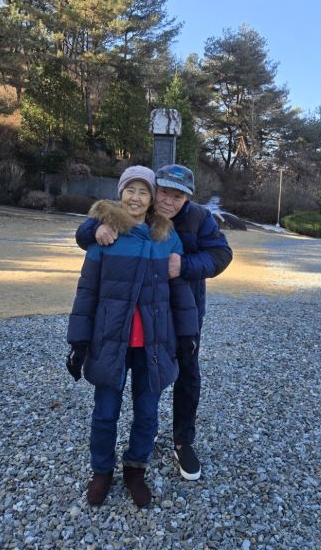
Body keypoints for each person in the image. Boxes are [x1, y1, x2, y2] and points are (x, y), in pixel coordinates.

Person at [75, 164, 232, 481]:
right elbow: (88, 232)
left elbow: (221, 254)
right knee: (114, 399)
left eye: (178, 197)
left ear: (187, 198)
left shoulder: (198, 219)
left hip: (179, 308)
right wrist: (94, 230)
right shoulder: (128, 215)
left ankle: (182, 442)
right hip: (125, 319)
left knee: (186, 374)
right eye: (164, 193)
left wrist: (184, 265)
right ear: (154, 190)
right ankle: (109, 465)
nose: (168, 202)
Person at [65, 166, 200, 508]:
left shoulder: (166, 238)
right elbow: (87, 291)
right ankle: (101, 471)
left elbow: (180, 292)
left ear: (152, 199)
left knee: (147, 413)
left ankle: (135, 470)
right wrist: (78, 342)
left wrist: (187, 335)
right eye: (130, 190)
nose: (135, 198)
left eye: (143, 192)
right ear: (120, 193)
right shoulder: (105, 236)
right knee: (105, 412)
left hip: (154, 342)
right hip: (111, 339)